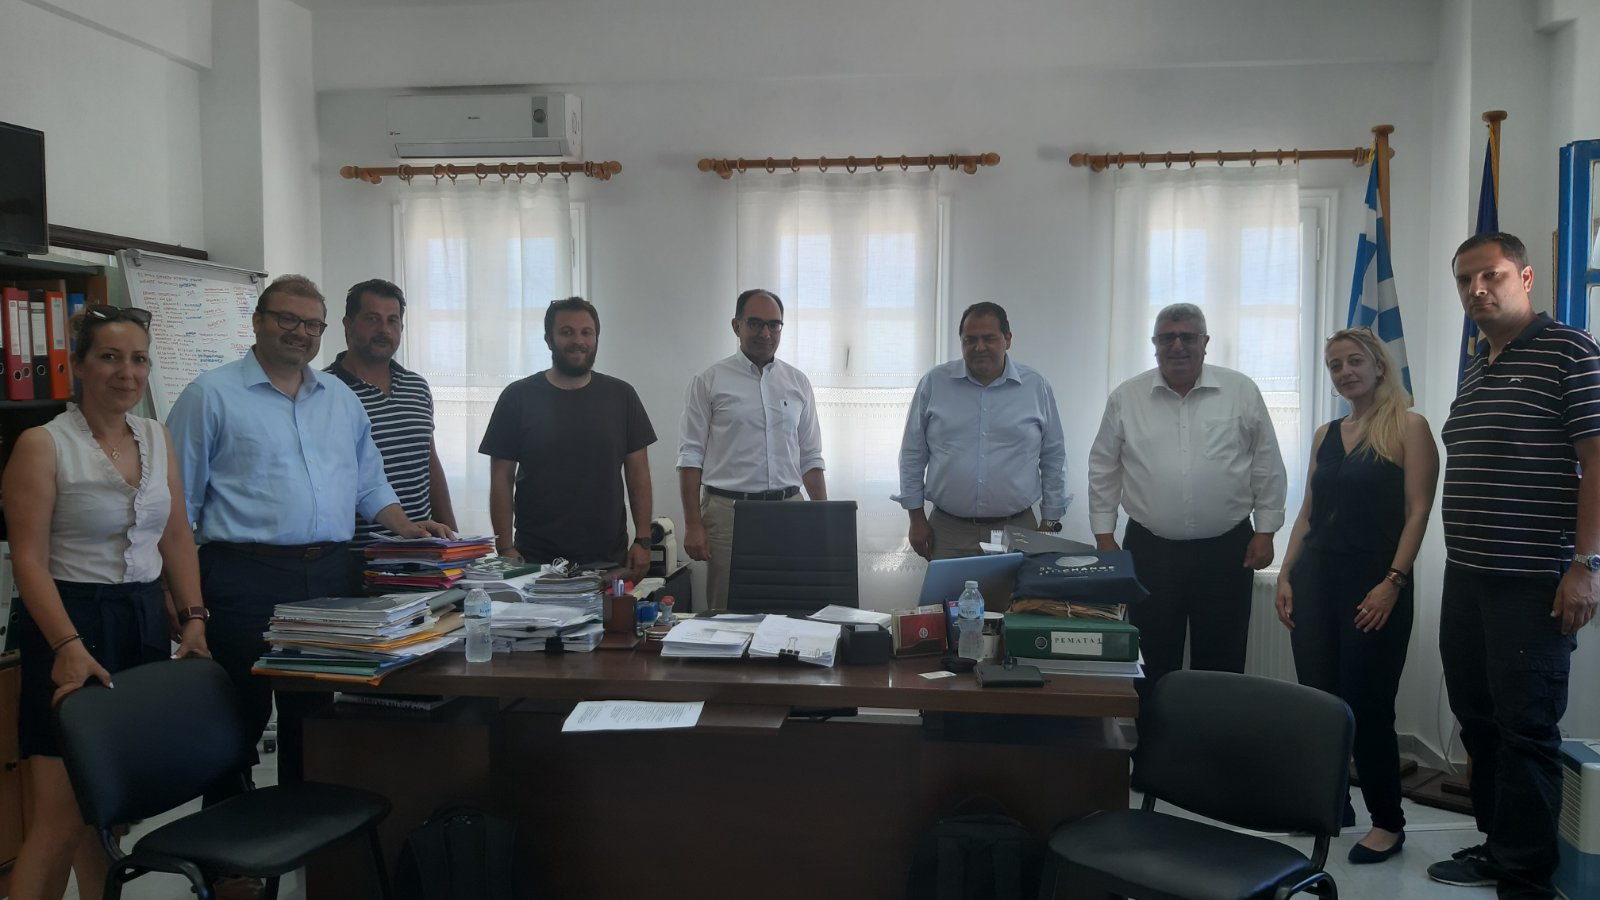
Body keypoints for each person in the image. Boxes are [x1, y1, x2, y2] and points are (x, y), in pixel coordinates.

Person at [166, 274, 449, 803]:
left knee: (314, 719)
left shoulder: (340, 399)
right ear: (258, 322)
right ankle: (230, 844)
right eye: (287, 319)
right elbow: (177, 508)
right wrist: (183, 599)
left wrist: (408, 527)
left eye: (311, 324)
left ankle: (303, 834)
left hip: (327, 577)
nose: (299, 332)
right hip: (243, 577)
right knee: (235, 721)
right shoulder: (210, 396)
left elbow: (369, 483)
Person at [2, 306, 210, 900]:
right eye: (110, 357)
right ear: (79, 365)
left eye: (138, 359)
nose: (127, 372)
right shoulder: (43, 444)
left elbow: (175, 535)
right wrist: (66, 647)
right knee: (60, 816)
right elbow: (28, 561)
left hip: (141, 617)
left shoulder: (156, 437)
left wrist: (193, 619)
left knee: (110, 811)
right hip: (68, 621)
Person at [1427, 232, 1599, 898]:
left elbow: (1597, 462)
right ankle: (1500, 848)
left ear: (1525, 278)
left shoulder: (1570, 350)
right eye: (1465, 279)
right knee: (1477, 717)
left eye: (1491, 275)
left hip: (1532, 582)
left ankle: (1527, 880)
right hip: (1467, 575)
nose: (1477, 289)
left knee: (1527, 730)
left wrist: (1587, 564)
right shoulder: (1479, 364)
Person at [1275, 327, 1439, 864]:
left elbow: (1418, 512)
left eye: (1354, 361)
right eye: (1335, 365)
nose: (1344, 372)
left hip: (1375, 584)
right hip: (1315, 580)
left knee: (1368, 705)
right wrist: (1286, 574)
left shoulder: (1410, 427)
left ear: (1378, 366)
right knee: (1321, 703)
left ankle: (1388, 822)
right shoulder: (1326, 433)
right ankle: (1332, 804)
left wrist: (1393, 583)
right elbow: (1308, 512)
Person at [1087, 302, 1287, 699]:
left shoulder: (1240, 391)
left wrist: (1266, 530)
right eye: (1167, 338)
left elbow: (1266, 462)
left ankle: (1215, 740)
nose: (1177, 346)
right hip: (1150, 550)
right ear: (1154, 344)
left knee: (1223, 660)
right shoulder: (1127, 397)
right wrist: (1103, 537)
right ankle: (1154, 740)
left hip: (1227, 550)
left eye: (1187, 337)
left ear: (1205, 342)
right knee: (1151, 660)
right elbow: (1103, 467)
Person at [479, 297, 656, 579]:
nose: (578, 341)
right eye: (566, 332)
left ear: (596, 338)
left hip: (608, 559)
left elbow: (638, 473)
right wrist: (505, 547)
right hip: (534, 560)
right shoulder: (517, 397)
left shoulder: (621, 396)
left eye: (587, 332)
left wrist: (643, 540)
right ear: (548, 339)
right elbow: (501, 478)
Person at [678, 289, 826, 611]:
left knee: (791, 607)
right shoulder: (709, 381)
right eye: (755, 323)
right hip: (729, 514)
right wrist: (693, 524)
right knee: (728, 611)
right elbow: (690, 457)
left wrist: (823, 518)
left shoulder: (798, 382)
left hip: (790, 511)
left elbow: (811, 456)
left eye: (774, 325)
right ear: (737, 326)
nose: (765, 333)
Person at [895, 301, 1067, 560]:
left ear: (1008, 339)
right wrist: (915, 517)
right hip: (949, 531)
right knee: (948, 589)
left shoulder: (1036, 387)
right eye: (970, 340)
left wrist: (1050, 523)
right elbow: (912, 454)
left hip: (1018, 530)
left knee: (1019, 589)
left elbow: (1054, 458)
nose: (979, 347)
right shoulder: (934, 384)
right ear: (961, 342)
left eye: (989, 338)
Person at [325, 279, 457, 545]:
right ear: (348, 324)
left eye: (392, 321)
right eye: (372, 319)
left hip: (422, 547)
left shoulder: (416, 386)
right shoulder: (325, 391)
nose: (383, 330)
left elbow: (429, 462)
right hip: (357, 552)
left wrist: (454, 538)